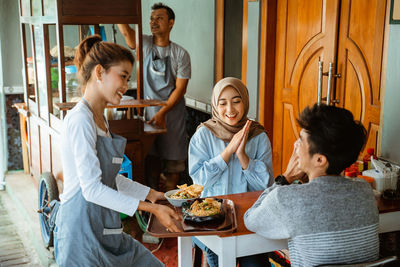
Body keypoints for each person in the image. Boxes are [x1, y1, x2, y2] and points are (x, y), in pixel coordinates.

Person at [54, 35, 181, 267]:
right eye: (123, 76)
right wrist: (151, 208)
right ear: (100, 72)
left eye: (128, 78)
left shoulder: (100, 119)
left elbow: (109, 180)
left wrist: (154, 195)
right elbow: (92, 189)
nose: (126, 86)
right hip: (81, 236)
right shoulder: (80, 120)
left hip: (105, 231)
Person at [244, 103, 379, 267]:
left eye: (301, 141)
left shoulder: (288, 198)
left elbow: (251, 220)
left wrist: (284, 179)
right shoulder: (365, 192)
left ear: (320, 160)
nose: (295, 146)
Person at [189, 77, 274, 267]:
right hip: (211, 220)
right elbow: (199, 181)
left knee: (256, 264)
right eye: (223, 103)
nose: (230, 109)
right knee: (219, 260)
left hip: (250, 219)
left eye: (237, 101)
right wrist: (227, 153)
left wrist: (242, 155)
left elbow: (266, 185)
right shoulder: (203, 134)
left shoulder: (258, 136)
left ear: (245, 101)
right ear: (215, 105)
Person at [118, 2, 191, 191]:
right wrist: (119, 10)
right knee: (151, 160)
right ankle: (154, 205)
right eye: (151, 19)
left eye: (159, 18)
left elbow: (180, 90)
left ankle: (169, 202)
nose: (153, 22)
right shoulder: (144, 44)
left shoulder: (181, 54)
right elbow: (127, 34)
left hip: (173, 117)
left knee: (173, 165)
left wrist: (163, 113)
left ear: (171, 23)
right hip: (148, 114)